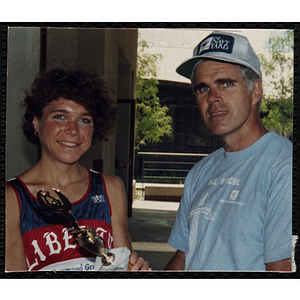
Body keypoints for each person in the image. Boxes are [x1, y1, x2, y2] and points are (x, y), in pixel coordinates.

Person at [165, 31, 292, 271]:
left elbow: (282, 267)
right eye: (203, 88)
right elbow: (183, 257)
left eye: (226, 83)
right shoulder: (201, 171)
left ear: (255, 91)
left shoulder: (283, 166)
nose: (213, 97)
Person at [6, 68, 150, 271]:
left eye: (84, 120)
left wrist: (134, 271)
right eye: (60, 116)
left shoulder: (110, 188)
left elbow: (119, 265)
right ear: (36, 122)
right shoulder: (12, 197)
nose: (73, 130)